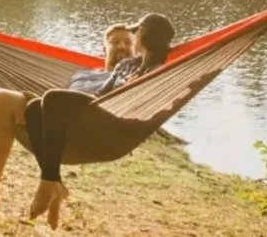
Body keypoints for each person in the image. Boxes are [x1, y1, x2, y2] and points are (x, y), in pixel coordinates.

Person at [0, 23, 137, 221]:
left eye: (128, 43)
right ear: (103, 49)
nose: (122, 46)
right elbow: (61, 96)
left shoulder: (134, 76)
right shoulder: (83, 74)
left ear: (136, 50)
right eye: (115, 42)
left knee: (1, 100)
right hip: (50, 113)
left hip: (87, 128)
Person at [24, 13, 176, 227]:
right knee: (33, 109)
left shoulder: (158, 72)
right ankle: (53, 181)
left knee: (51, 98)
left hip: (115, 120)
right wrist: (88, 100)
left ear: (146, 36)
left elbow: (152, 101)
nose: (133, 36)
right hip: (100, 105)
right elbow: (104, 90)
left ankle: (47, 183)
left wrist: (130, 89)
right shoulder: (127, 65)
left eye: (137, 31)